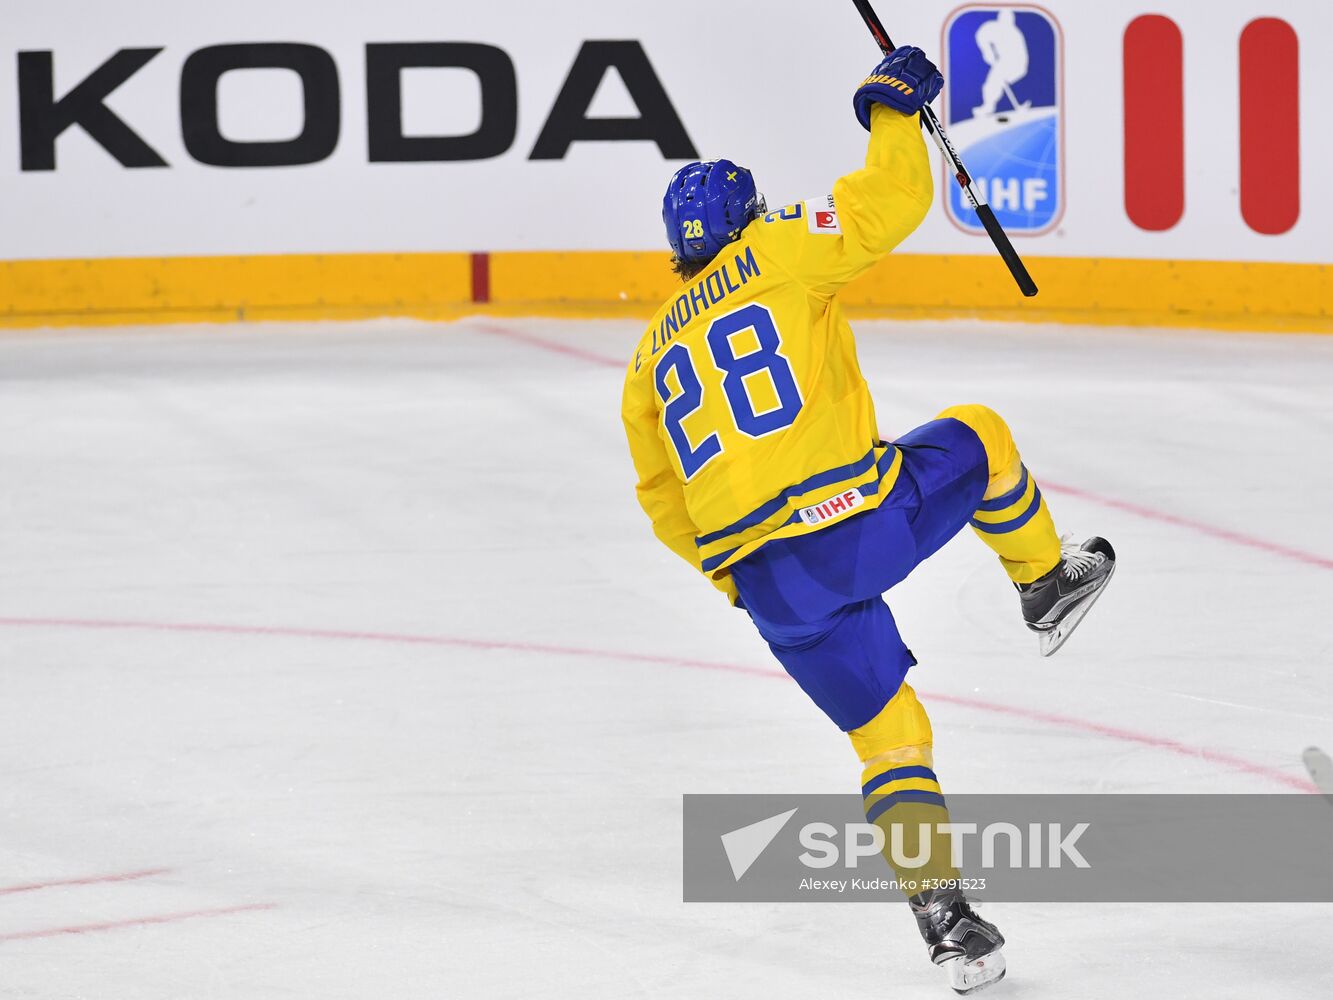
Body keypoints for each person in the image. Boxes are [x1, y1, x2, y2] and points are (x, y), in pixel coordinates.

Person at [621, 44, 1114, 996]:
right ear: (742, 223)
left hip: (769, 585)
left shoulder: (645, 359)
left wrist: (737, 579)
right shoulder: (771, 250)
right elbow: (889, 204)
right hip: (852, 520)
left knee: (891, 741)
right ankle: (1045, 584)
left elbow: (661, 505)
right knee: (978, 435)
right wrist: (889, 106)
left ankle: (950, 925)